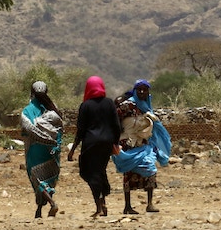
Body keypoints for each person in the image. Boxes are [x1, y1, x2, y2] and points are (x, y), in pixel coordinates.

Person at [113, 79, 171, 214]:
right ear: (135, 90)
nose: (142, 92)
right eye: (139, 89)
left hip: (144, 145)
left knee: (151, 168)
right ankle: (127, 206)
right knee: (128, 173)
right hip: (129, 145)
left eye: (145, 89)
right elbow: (115, 119)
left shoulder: (147, 106)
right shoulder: (127, 105)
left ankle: (150, 204)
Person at [67, 75, 121, 217]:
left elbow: (81, 130)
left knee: (89, 173)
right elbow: (116, 125)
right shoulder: (109, 103)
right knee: (101, 170)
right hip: (106, 143)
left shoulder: (85, 106)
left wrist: (72, 150)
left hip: (90, 143)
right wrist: (115, 143)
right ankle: (103, 199)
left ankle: (99, 205)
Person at [20, 81, 63, 218]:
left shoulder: (26, 111)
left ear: (31, 92)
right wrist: (55, 144)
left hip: (35, 149)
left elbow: (27, 129)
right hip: (52, 149)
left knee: (37, 178)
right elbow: (60, 128)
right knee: (48, 178)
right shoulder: (53, 109)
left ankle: (52, 203)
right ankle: (39, 210)